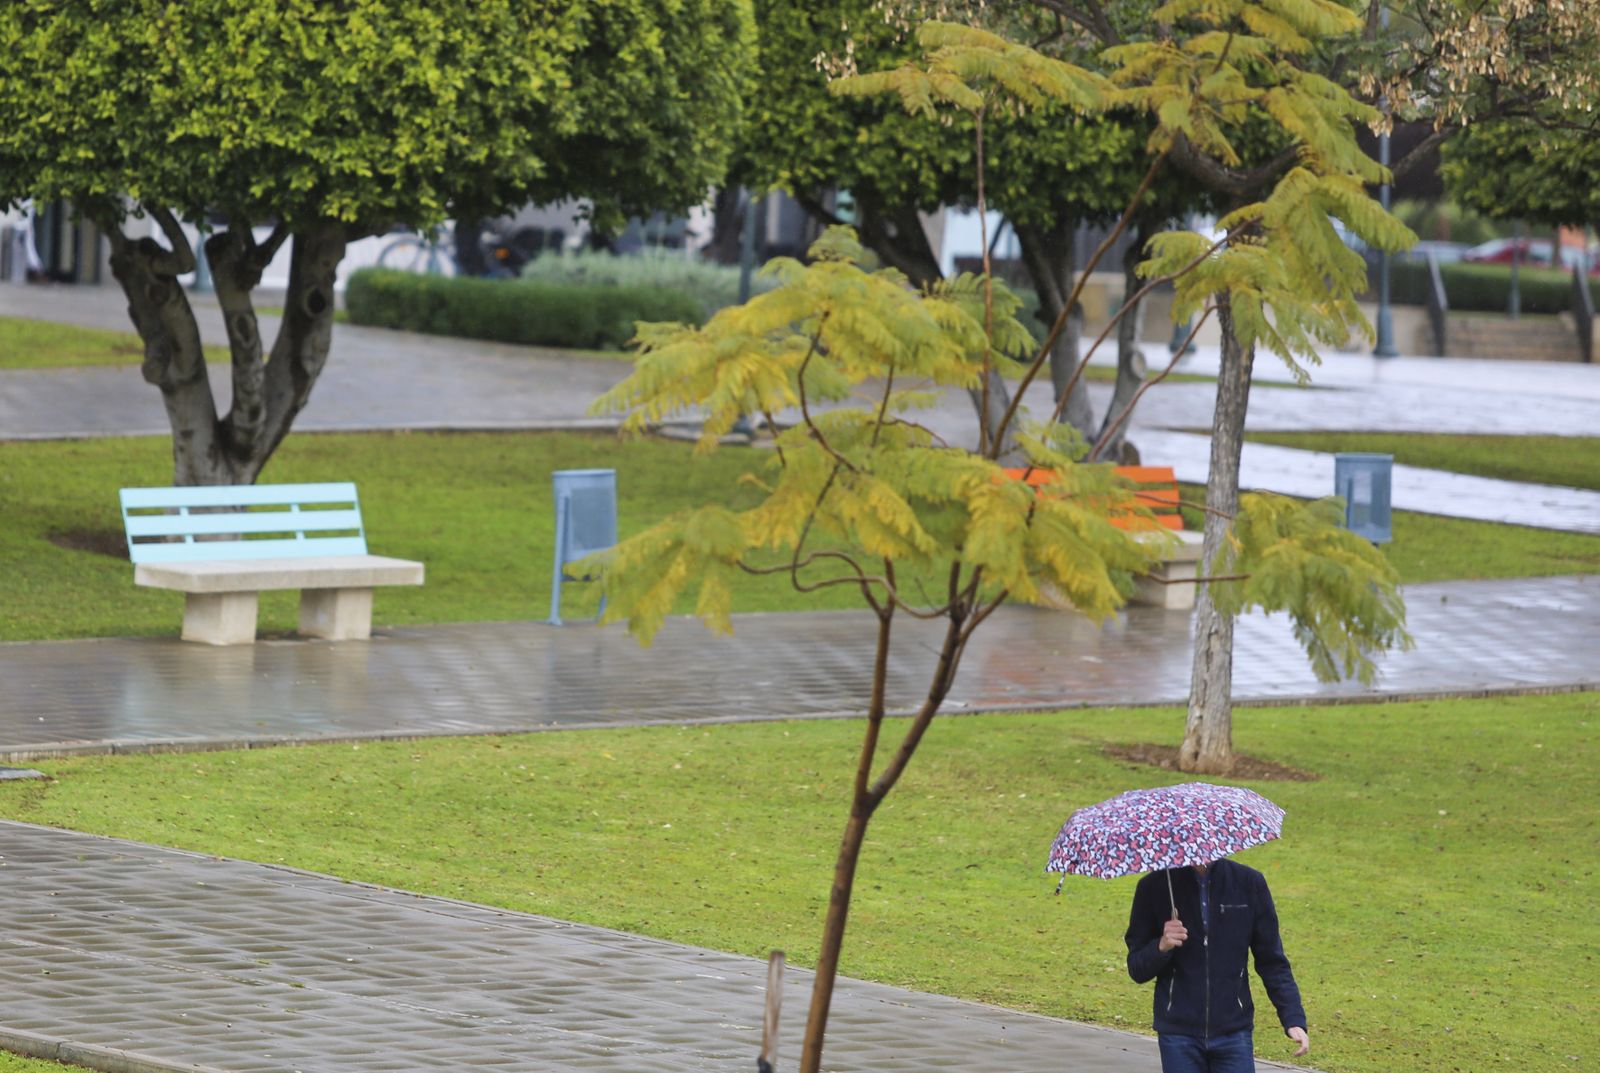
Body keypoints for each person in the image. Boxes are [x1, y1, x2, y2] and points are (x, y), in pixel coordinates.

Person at [1125, 859, 1310, 1072]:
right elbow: (1137, 968)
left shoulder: (1249, 882)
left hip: (1233, 1031)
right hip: (1178, 1034)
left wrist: (1293, 1018)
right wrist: (1161, 946)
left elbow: (1272, 962)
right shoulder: (1154, 886)